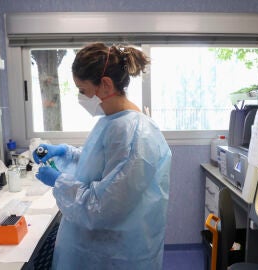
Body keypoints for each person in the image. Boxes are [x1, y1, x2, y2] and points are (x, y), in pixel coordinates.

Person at [33, 42, 172, 270]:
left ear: (105, 85)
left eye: (83, 90)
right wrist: (67, 153)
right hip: (102, 248)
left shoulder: (134, 133)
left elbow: (103, 207)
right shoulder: (113, 122)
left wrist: (59, 181)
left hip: (115, 255)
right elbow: (102, 168)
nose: (81, 97)